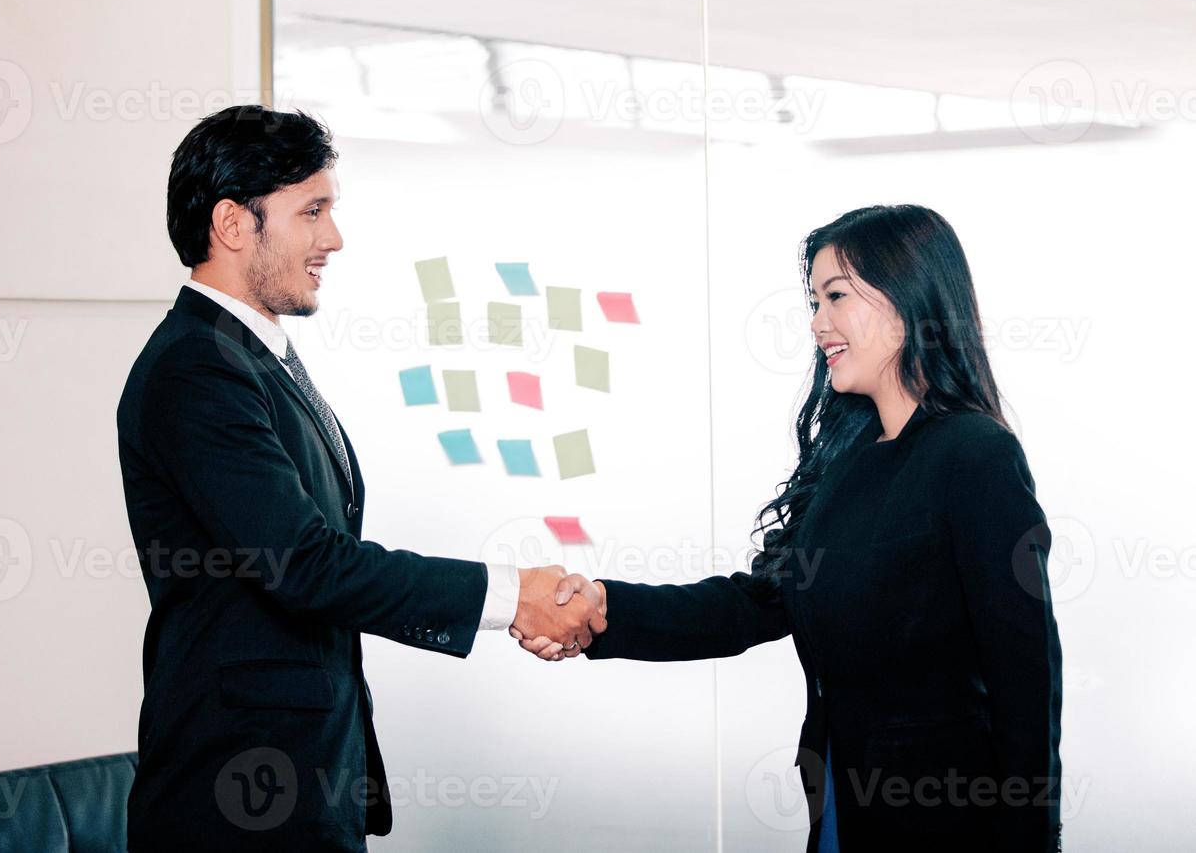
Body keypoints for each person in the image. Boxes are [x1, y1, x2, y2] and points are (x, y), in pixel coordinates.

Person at [116, 104, 605, 852]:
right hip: (238, 799)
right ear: (232, 223)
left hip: (301, 780)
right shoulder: (197, 369)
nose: (333, 238)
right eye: (312, 211)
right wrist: (513, 597)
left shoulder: (250, 355)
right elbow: (305, 564)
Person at [515, 205, 1063, 852]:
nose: (817, 323)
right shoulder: (847, 461)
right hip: (842, 806)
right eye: (814, 301)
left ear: (909, 300)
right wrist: (605, 609)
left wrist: (1031, 839)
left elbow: (1027, 677)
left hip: (946, 820)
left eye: (836, 297)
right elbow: (755, 604)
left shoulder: (975, 455)